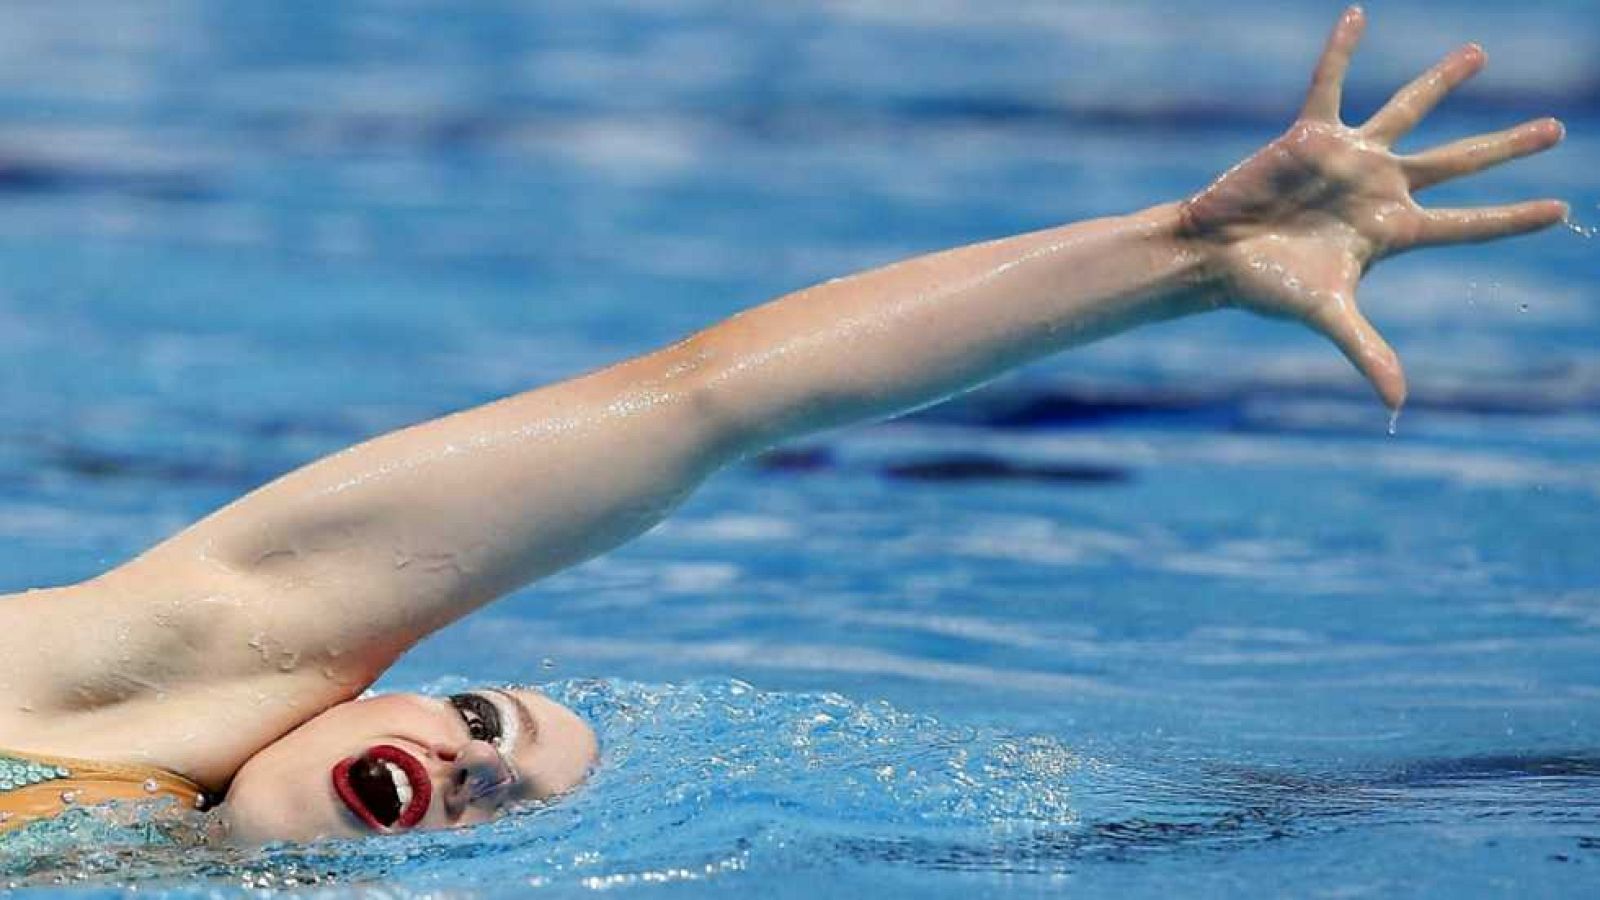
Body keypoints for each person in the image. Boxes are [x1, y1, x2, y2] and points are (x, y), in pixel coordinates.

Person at [0, 6, 1569, 845]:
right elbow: (708, 402)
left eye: (504, 790)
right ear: (339, 697)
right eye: (485, 718)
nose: (473, 763)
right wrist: (1177, 258)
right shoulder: (133, 692)